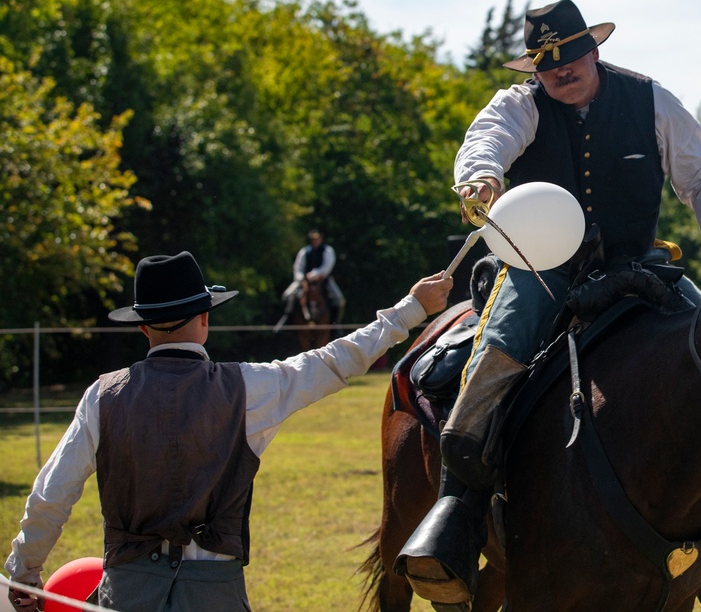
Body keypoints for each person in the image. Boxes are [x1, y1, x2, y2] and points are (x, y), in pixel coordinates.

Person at [395, 0, 701, 612]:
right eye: (547, 63)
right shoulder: (518, 106)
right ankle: (456, 516)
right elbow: (486, 142)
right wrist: (481, 179)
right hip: (538, 267)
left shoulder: (650, 100)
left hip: (639, 266)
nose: (561, 71)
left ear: (592, 50)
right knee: (495, 359)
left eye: (570, 56)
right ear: (536, 67)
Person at [5, 250, 452, 612]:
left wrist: (24, 573)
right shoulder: (250, 388)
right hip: (215, 595)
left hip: (127, 594)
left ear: (142, 327)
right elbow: (336, 360)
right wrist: (411, 309)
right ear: (205, 318)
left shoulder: (101, 397)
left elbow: (50, 496)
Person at [280, 228, 345, 322]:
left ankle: (335, 324)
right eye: (313, 239)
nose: (315, 241)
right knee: (287, 295)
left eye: (317, 238)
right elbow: (298, 267)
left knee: (338, 299)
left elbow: (326, 268)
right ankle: (286, 320)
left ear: (321, 238)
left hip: (323, 280)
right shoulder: (304, 251)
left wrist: (314, 274)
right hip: (304, 281)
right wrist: (301, 278)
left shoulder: (328, 250)